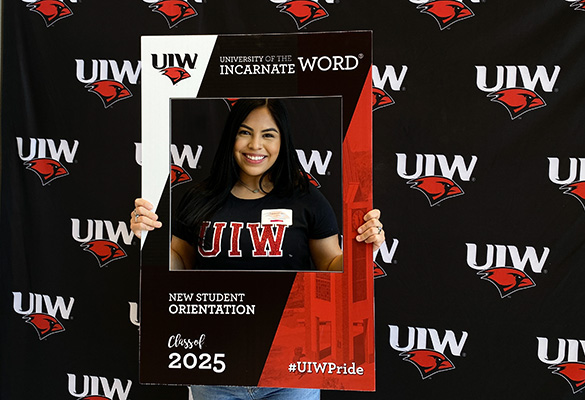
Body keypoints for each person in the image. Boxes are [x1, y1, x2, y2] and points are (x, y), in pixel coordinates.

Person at [131, 98, 384, 399]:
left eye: (268, 134)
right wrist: (148, 237)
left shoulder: (307, 200)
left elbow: (330, 264)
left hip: (293, 370)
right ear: (231, 137)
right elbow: (180, 265)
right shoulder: (199, 197)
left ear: (282, 140)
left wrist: (364, 246)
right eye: (244, 132)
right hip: (214, 368)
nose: (255, 145)